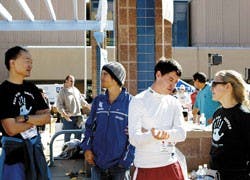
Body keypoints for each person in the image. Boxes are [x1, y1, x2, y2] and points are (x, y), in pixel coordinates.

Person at [128, 59, 186, 180]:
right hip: (145, 168)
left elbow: (181, 134)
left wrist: (162, 134)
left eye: (176, 82)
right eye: (170, 79)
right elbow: (134, 138)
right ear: (158, 75)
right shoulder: (138, 100)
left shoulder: (174, 102)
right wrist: (153, 135)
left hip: (171, 166)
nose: (173, 85)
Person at [0, 46, 51, 179]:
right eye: (27, 61)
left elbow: (47, 118)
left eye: (31, 62)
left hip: (36, 150)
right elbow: (11, 129)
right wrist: (35, 120)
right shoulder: (3, 91)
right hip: (14, 153)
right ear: (12, 62)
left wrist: (25, 118)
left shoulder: (32, 88)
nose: (30, 65)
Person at [80, 61, 135, 180]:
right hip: (97, 164)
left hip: (119, 168)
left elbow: (135, 135)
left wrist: (125, 162)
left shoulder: (131, 103)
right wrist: (87, 149)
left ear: (115, 78)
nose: (102, 77)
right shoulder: (98, 101)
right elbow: (89, 127)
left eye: (105, 74)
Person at [209, 70, 250, 180]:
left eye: (214, 84)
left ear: (228, 86)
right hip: (214, 174)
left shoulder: (245, 116)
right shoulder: (217, 112)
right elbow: (215, 146)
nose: (211, 88)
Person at [56, 75, 90, 142]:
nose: (73, 83)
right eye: (71, 81)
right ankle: (67, 152)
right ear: (66, 81)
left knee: (78, 138)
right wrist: (64, 114)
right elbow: (59, 105)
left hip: (78, 117)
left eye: (74, 81)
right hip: (68, 118)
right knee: (67, 138)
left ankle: (77, 151)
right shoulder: (62, 92)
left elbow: (81, 100)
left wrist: (89, 106)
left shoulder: (76, 90)